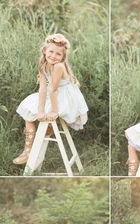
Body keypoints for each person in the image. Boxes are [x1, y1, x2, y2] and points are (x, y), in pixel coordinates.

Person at [13, 33, 88, 166]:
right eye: (51, 51)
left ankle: (37, 141)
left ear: (63, 57)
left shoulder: (59, 66)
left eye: (58, 54)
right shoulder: (43, 65)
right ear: (44, 51)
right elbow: (43, 89)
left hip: (66, 97)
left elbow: (53, 89)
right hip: (54, 94)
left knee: (42, 113)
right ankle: (28, 150)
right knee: (30, 109)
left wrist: (54, 111)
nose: (53, 56)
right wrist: (40, 111)